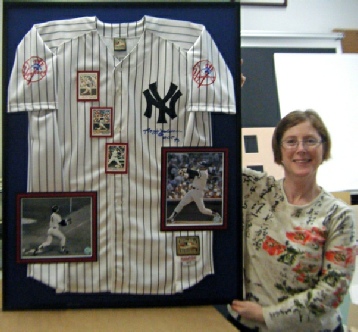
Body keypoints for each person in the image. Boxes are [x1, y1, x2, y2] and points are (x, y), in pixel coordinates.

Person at [227, 62, 356, 331]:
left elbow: (332, 292)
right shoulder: (256, 189)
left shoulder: (338, 216)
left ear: (323, 148)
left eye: (310, 140)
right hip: (249, 324)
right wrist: (230, 95)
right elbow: (213, 157)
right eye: (291, 141)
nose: (301, 149)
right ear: (278, 150)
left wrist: (267, 315)